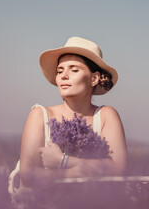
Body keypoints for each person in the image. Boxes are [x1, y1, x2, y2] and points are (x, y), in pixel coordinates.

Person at [8, 36, 127, 207]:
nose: (64, 76)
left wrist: (63, 161)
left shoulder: (107, 115)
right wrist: (83, 172)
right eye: (59, 70)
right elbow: (29, 176)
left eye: (74, 70)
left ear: (94, 78)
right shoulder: (39, 115)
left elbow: (118, 169)